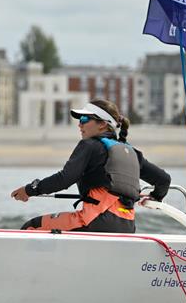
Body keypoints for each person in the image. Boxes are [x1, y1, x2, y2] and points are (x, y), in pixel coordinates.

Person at [10, 99, 170, 233]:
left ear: (102, 124)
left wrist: (29, 190)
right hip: (128, 227)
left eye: (85, 120)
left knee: (31, 227)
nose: (80, 125)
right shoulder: (132, 152)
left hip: (95, 222)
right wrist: (156, 197)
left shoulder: (90, 145)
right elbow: (163, 180)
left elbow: (64, 179)